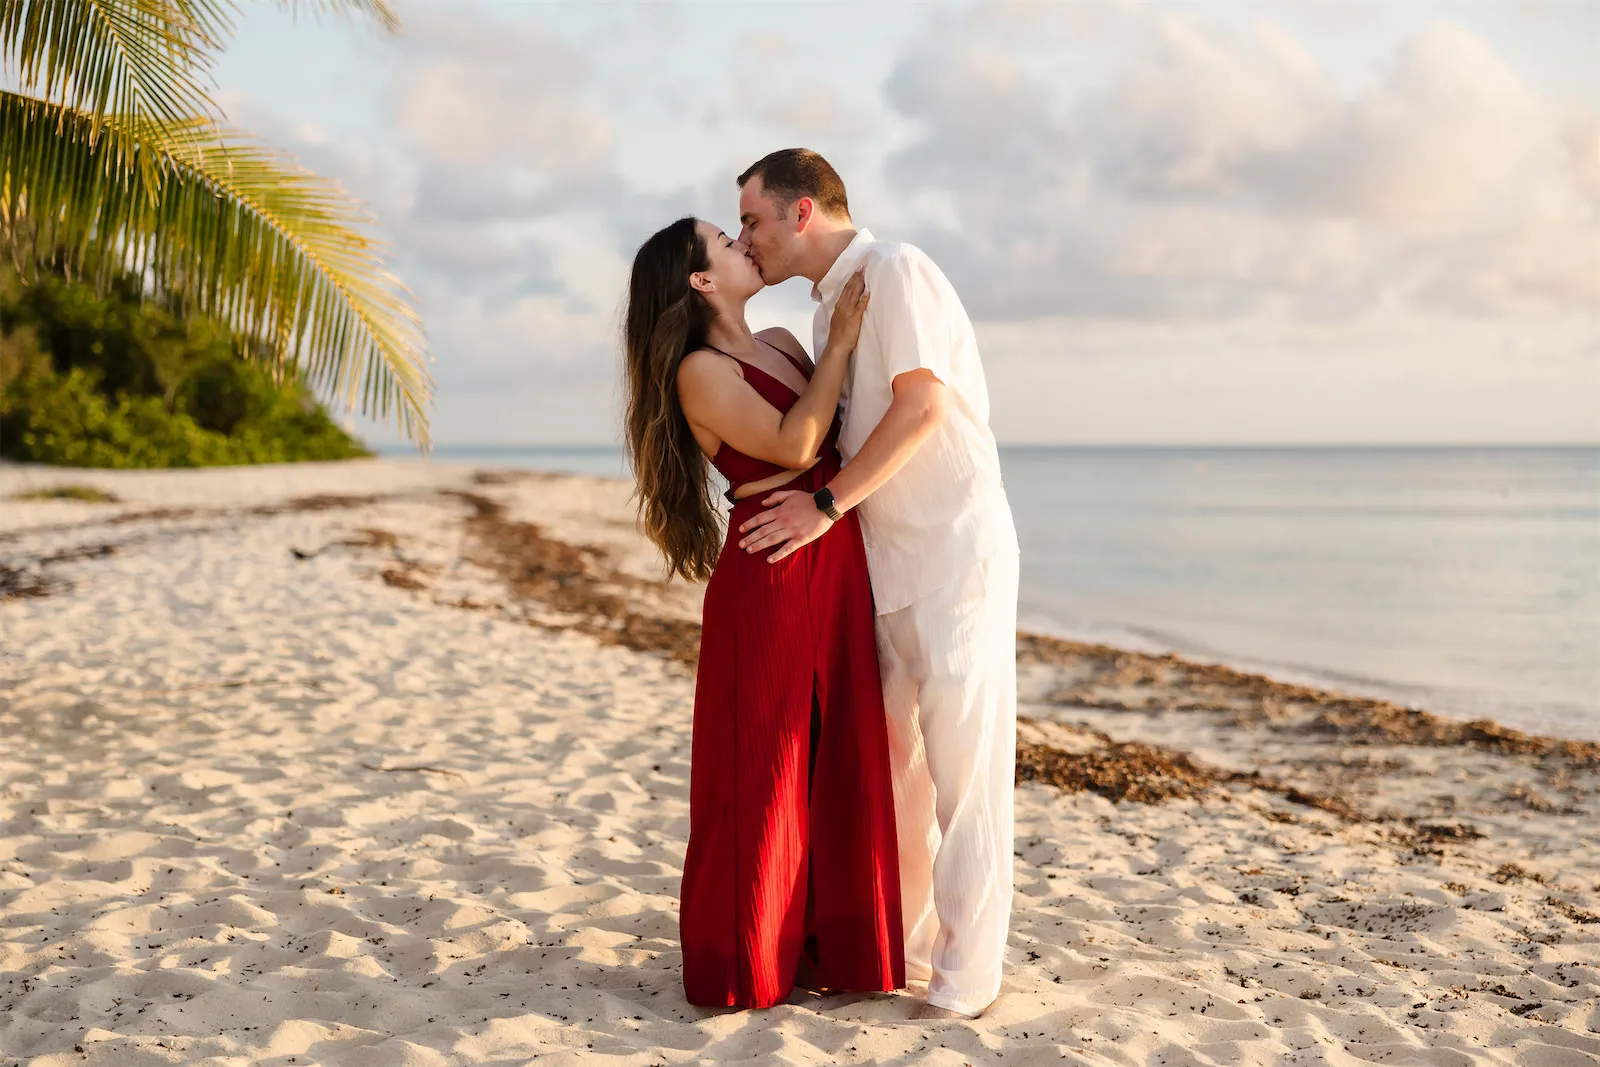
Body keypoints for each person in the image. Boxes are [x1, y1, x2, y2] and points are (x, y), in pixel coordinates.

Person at [734, 149, 1020, 1019]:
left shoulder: (897, 269)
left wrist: (823, 505)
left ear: (804, 211)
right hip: (883, 565)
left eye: (752, 219)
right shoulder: (832, 313)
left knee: (965, 774)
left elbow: (921, 406)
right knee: (898, 780)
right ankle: (911, 952)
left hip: (953, 554)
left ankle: (969, 981)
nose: (745, 237)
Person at [622, 216, 904, 1010]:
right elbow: (793, 440)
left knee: (840, 745)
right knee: (767, 761)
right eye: (726, 241)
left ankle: (837, 948)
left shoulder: (781, 339)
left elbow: (839, 433)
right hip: (770, 562)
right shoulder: (698, 373)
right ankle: (747, 958)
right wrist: (843, 340)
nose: (746, 244)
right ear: (701, 282)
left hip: (831, 547)